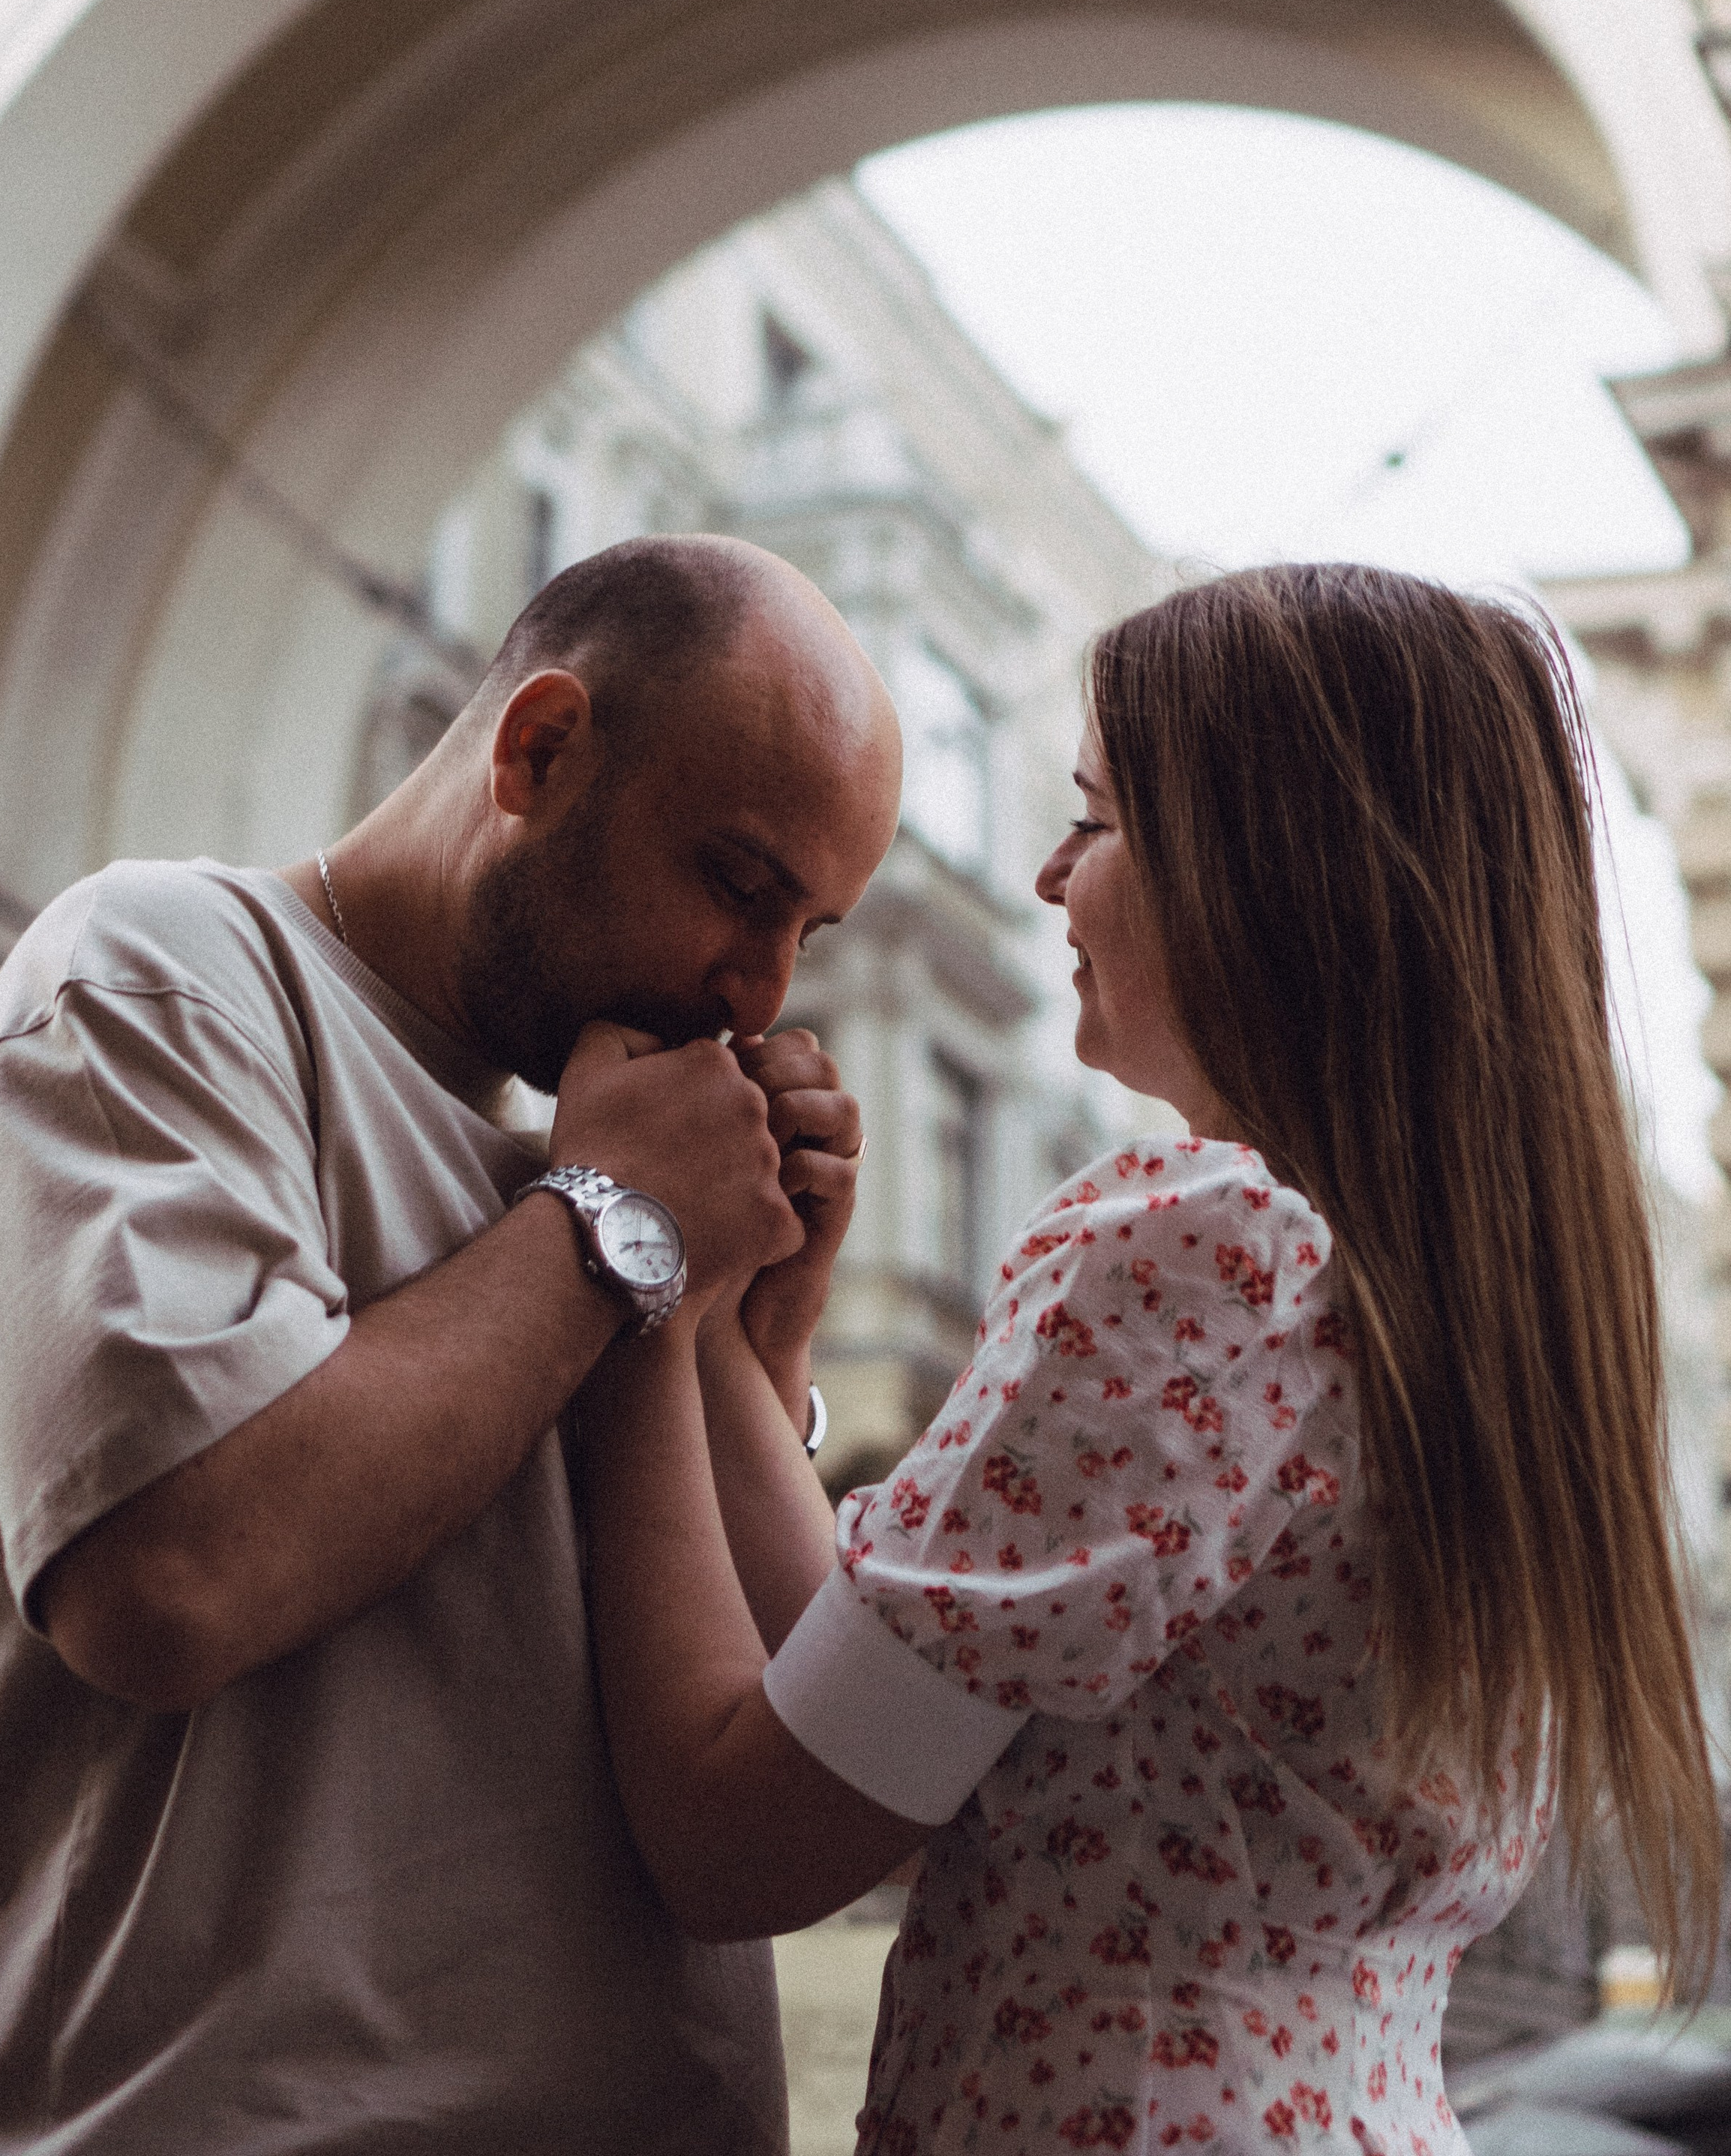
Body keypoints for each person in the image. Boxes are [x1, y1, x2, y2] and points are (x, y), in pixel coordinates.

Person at [578, 561, 1722, 2154]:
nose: (1049, 875)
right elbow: (872, 1729)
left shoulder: (1203, 1252)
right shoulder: (1474, 1320)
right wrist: (742, 1335)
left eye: (1095, 820)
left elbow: (739, 1843)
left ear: (1272, 870)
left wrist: (628, 1253)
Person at [0, 534, 902, 2155]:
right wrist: (614, 1222)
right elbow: (171, 1580)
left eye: (806, 934)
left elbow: (790, 1793)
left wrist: (753, 1343)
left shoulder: (610, 1152)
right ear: (539, 751)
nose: (755, 996)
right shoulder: (163, 976)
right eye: (738, 889)